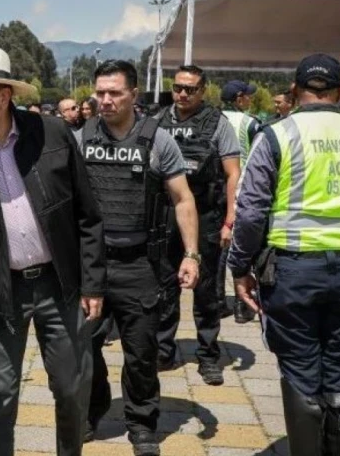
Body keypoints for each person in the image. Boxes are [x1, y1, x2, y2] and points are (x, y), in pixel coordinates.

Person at [0, 46, 106, 456]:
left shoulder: (52, 134)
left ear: (4, 96)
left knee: (70, 389)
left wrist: (93, 283)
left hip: (59, 286)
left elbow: (88, 214)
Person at [229, 53, 340, 456]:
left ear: (294, 90)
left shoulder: (276, 136)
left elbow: (250, 212)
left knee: (301, 371)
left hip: (294, 270)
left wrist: (239, 265)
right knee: (339, 368)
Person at [82, 60, 199, 456]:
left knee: (142, 352)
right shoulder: (81, 138)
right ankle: (92, 408)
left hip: (139, 265)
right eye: (100, 92)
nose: (106, 100)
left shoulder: (158, 140)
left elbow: (183, 200)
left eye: (114, 92)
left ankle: (142, 424)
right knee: (82, 346)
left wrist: (192, 255)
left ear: (134, 94)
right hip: (92, 263)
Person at [156, 64, 242, 386]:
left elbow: (233, 173)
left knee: (206, 292)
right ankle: (163, 351)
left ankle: (208, 356)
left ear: (203, 90)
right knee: (164, 288)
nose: (182, 94)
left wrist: (230, 221)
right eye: (177, 87)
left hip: (206, 214)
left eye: (190, 89)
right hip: (166, 216)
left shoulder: (217, 123)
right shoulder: (158, 121)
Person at [219, 80, 261, 323]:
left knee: (218, 251)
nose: (250, 99)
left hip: (217, 189)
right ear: (238, 99)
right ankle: (241, 306)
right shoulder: (250, 123)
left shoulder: (214, 119)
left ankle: (217, 300)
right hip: (243, 191)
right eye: (247, 96)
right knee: (242, 248)